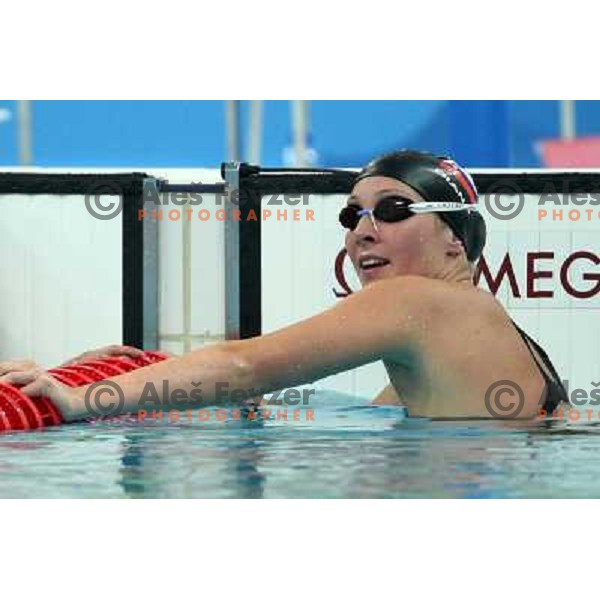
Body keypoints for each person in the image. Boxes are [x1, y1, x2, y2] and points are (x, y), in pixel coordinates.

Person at [0, 150, 568, 420]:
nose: (363, 233)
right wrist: (133, 373)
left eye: (393, 210)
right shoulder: (481, 331)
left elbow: (244, 367)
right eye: (351, 217)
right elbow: (306, 405)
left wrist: (81, 398)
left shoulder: (417, 301)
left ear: (456, 238)